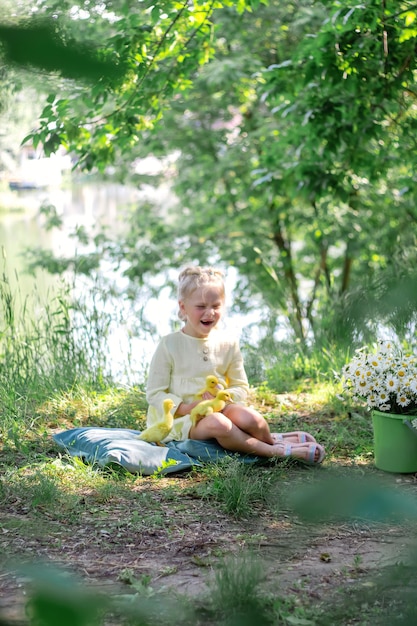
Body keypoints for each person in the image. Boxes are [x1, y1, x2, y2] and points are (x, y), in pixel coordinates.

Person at [145, 265, 325, 464]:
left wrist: (224, 396)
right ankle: (278, 451)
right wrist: (186, 408)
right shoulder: (169, 345)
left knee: (252, 419)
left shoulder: (228, 343)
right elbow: (155, 393)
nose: (209, 313)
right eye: (201, 306)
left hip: (221, 407)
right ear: (183, 307)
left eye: (216, 306)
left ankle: (271, 439)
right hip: (184, 420)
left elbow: (240, 386)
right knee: (220, 424)